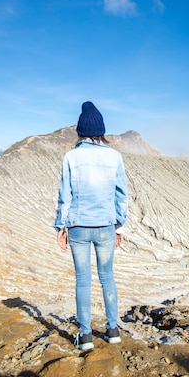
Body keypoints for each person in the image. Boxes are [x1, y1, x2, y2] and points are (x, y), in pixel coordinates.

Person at [54, 101, 129, 351]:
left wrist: (60, 227)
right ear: (101, 131)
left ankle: (85, 336)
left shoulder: (71, 157)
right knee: (107, 277)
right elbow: (121, 195)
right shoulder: (114, 156)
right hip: (106, 226)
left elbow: (65, 195)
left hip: (78, 227)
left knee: (83, 281)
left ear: (81, 130)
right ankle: (113, 330)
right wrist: (119, 227)